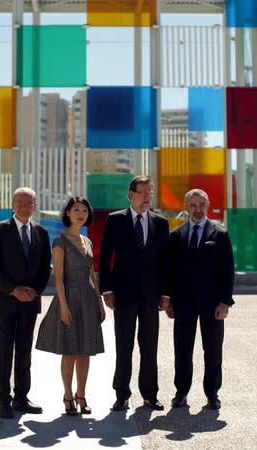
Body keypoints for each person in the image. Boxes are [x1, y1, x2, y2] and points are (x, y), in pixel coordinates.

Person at [99, 175, 171, 411]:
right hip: (123, 295)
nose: (147, 196)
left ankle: (150, 394)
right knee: (124, 346)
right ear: (131, 194)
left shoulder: (160, 222)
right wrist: (106, 290)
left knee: (149, 347)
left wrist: (166, 293)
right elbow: (105, 255)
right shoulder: (115, 220)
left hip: (151, 297)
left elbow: (165, 262)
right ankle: (121, 394)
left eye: (150, 192)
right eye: (143, 192)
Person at [0, 187, 52, 419]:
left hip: (30, 302)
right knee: (2, 352)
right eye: (20, 202)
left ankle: (22, 398)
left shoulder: (41, 233)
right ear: (13, 205)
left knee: (24, 352)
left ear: (35, 206)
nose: (24, 206)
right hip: (4, 301)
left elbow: (46, 267)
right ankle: (3, 400)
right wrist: (13, 290)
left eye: (29, 203)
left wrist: (35, 290)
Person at [36, 196, 105, 416]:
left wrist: (99, 300)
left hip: (87, 299)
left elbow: (91, 274)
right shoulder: (60, 241)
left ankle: (81, 395)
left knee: (86, 352)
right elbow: (58, 278)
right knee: (70, 351)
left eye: (84, 210)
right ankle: (67, 396)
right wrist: (64, 307)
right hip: (69, 299)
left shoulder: (88, 241)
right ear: (68, 213)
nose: (81, 213)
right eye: (76, 209)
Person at [166, 188, 235, 410]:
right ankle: (181, 392)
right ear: (186, 207)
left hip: (213, 304)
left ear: (208, 205)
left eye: (201, 205)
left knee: (213, 349)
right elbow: (171, 272)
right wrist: (170, 302)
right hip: (183, 304)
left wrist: (225, 302)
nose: (197, 209)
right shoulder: (176, 236)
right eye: (193, 205)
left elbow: (228, 271)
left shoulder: (221, 234)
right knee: (182, 350)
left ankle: (212, 393)